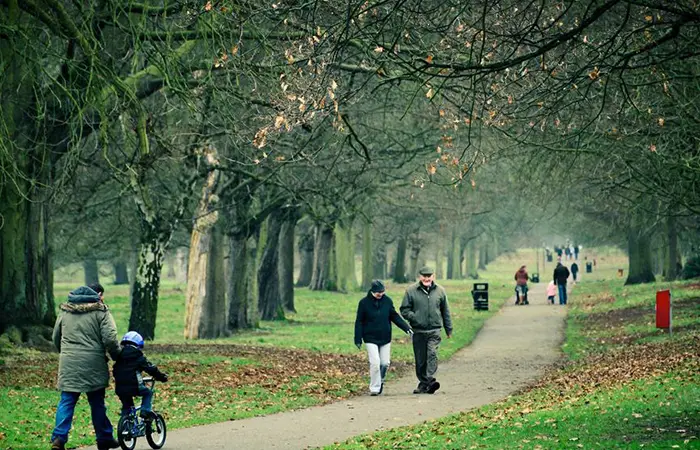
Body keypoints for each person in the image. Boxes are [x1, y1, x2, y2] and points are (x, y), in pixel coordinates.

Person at [51, 284, 121, 450]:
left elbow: (55, 336)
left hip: (68, 363)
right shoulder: (101, 312)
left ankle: (59, 439)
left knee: (67, 401)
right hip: (94, 363)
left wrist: (65, 353)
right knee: (97, 402)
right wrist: (117, 356)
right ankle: (104, 438)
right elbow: (110, 339)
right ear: (97, 295)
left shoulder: (65, 311)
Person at [354, 280, 412, 396]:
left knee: (385, 363)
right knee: (375, 363)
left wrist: (406, 328)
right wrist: (358, 338)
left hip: (385, 337)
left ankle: (380, 380)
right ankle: (375, 388)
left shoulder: (387, 301)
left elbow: (394, 316)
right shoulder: (364, 303)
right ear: (372, 291)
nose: (380, 294)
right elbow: (359, 321)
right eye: (377, 292)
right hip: (370, 337)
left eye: (382, 292)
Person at [400, 266, 452, 395]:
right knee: (420, 359)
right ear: (420, 277)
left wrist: (448, 328)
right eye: (424, 276)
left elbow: (445, 311)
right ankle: (424, 384)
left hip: (434, 330)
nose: (427, 278)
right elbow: (404, 310)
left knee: (432, 354)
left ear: (433, 276)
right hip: (418, 331)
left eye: (429, 276)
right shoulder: (411, 291)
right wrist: (414, 317)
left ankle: (429, 379)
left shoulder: (440, 291)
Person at [113, 331, 168, 420]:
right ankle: (145, 411)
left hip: (120, 388)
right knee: (148, 393)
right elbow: (150, 368)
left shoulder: (119, 356)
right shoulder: (138, 356)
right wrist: (161, 377)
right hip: (134, 386)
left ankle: (125, 424)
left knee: (127, 406)